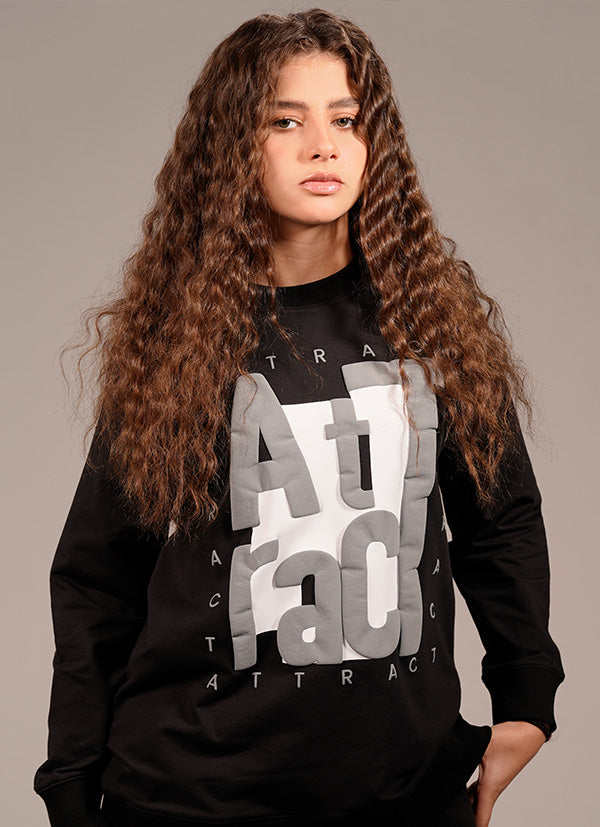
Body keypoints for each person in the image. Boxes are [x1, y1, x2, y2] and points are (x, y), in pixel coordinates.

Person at [33, 8, 565, 827]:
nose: (324, 145)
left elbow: (501, 518)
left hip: (406, 795)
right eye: (286, 121)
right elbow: (98, 575)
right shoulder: (179, 343)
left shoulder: (435, 325)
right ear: (233, 148)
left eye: (346, 119)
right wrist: (71, 780)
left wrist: (528, 696)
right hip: (189, 796)